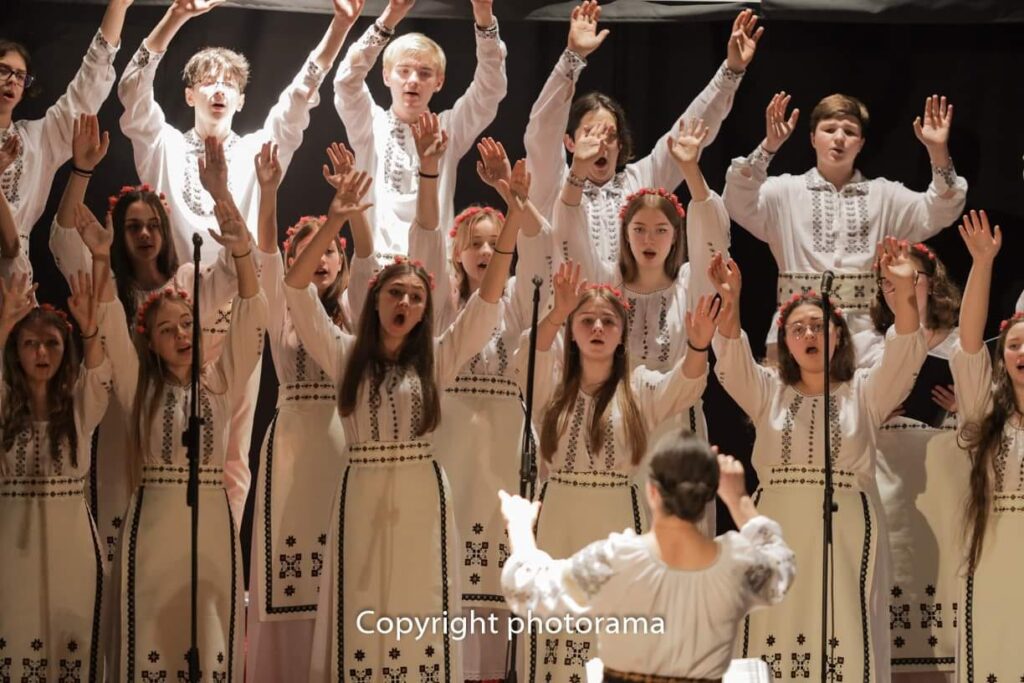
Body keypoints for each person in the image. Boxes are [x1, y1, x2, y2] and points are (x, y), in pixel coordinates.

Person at [113, 0, 364, 523]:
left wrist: (340, 26)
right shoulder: (163, 146)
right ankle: (156, 545)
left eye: (229, 82)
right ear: (190, 93)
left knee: (232, 451)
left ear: (242, 97)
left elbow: (301, 95)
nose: (219, 89)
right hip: (172, 311)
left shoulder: (256, 150)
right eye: (208, 80)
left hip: (238, 310)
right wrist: (176, 16)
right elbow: (133, 90)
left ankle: (223, 554)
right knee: (155, 439)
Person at [283, 165, 515, 682]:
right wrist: (334, 220)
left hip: (422, 497)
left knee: (421, 602)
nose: (405, 302)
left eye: (415, 296)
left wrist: (514, 219)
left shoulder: (438, 357)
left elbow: (488, 302)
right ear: (375, 301)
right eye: (395, 293)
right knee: (361, 604)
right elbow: (295, 289)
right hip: (361, 492)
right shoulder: (344, 354)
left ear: (425, 309)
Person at [708, 239, 927, 682]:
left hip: (846, 527)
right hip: (776, 522)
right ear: (785, 342)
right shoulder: (768, 390)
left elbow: (906, 352)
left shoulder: (865, 391)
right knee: (771, 621)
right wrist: (730, 301)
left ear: (838, 336)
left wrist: (905, 293)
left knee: (845, 622)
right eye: (798, 329)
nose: (809, 335)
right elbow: (730, 356)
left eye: (817, 326)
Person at [49, 114, 238, 569]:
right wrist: (81, 170)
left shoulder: (187, 281)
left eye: (153, 224)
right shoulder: (107, 283)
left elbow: (236, 272)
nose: (146, 234)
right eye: (133, 227)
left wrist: (220, 194)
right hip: (117, 418)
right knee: (118, 537)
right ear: (119, 234)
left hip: (172, 425)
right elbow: (63, 241)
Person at [89, 193, 263, 682]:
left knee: (209, 640)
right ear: (150, 342)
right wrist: (101, 258)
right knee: (150, 641)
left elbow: (252, 315)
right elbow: (108, 319)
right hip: (152, 527)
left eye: (187, 324)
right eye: (168, 329)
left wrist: (243, 253)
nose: (183, 335)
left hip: (211, 527)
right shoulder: (138, 386)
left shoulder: (220, 382)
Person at [520, 260, 717, 683]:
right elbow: (529, 356)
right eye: (587, 320)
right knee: (556, 631)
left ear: (622, 335)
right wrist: (557, 312)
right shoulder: (552, 385)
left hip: (617, 522)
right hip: (558, 520)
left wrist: (698, 347)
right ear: (573, 332)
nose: (597, 328)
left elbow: (684, 386)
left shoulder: (639, 387)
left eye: (608, 321)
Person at [407, 118, 548, 679]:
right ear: (459, 253)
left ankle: (495, 670)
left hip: (503, 447)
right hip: (450, 445)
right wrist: (429, 170)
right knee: (450, 560)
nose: (487, 250)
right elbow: (423, 235)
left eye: (494, 242)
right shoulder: (442, 304)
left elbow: (539, 246)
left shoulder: (513, 300)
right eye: (476, 243)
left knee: (501, 563)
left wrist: (511, 197)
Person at [553, 117, 731, 533]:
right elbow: (568, 232)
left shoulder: (690, 284)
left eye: (660, 230)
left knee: (681, 536)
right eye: (639, 229)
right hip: (620, 423)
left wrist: (691, 170)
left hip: (678, 423)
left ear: (675, 236)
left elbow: (714, 239)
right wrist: (576, 172)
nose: (649, 239)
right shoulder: (606, 283)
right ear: (625, 234)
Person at [500, 432, 796, 680]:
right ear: (709, 493)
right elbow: (780, 563)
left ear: (652, 491)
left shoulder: (618, 561)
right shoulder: (735, 566)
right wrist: (738, 499)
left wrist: (520, 526)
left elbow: (527, 589)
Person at [244, 141, 374, 682]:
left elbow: (367, 258)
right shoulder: (283, 305)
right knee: (286, 574)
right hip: (293, 445)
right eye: (308, 250)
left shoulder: (357, 308)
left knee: (343, 574)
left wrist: (350, 210)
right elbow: (267, 252)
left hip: (347, 443)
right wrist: (269, 192)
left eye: (328, 252)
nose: (320, 259)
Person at [723, 92, 967, 360]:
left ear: (860, 144)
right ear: (813, 138)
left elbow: (940, 210)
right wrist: (768, 147)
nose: (839, 137)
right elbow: (737, 202)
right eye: (829, 129)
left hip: (866, 339)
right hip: (797, 330)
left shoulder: (884, 195)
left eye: (849, 132)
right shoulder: (784, 192)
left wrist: (938, 152)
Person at [525, 1, 760, 263]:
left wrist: (731, 72)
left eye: (610, 135)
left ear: (620, 144)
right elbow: (543, 128)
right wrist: (572, 58)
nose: (601, 143)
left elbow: (688, 131)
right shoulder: (553, 184)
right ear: (569, 142)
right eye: (590, 133)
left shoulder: (640, 181)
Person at [859, 241, 965, 676]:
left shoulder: (960, 342)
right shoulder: (867, 344)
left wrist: (962, 405)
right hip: (887, 473)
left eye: (908, 277)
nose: (897, 287)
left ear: (931, 282)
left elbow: (992, 410)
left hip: (942, 474)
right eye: (886, 282)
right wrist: (874, 406)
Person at [0, 271, 112, 683]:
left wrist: (90, 329)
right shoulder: (5, 405)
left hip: (72, 548)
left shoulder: (79, 408)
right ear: (16, 352)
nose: (42, 352)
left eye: (52, 343)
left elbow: (98, 376)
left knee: (72, 647)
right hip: (11, 548)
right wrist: (4, 324)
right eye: (30, 344)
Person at [333, 0, 507, 255]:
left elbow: (489, 89)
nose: (413, 80)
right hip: (375, 266)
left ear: (439, 82)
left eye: (425, 73)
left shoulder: (448, 129)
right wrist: (389, 17)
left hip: (432, 268)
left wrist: (484, 17)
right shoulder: (370, 124)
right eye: (403, 71)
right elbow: (346, 82)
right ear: (386, 76)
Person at [1, 0, 130, 274]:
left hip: (14, 276)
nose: (12, 80)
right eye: (3, 70)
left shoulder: (36, 140)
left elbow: (86, 88)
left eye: (21, 76)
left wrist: (117, 6)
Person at [950, 209, 1023, 680]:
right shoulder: (985, 410)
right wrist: (982, 264)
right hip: (994, 557)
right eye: (1014, 344)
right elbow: (970, 344)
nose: (1022, 352)